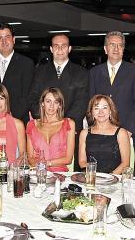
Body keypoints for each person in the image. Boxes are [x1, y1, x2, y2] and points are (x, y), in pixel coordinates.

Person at [30, 34, 88, 171]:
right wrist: (45, 121)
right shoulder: (39, 71)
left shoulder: (81, 72)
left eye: (64, 46)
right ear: (51, 49)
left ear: (70, 48)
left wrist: (63, 125)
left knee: (71, 172)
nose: (60, 49)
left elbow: (82, 102)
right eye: (56, 45)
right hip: (44, 129)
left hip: (70, 130)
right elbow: (33, 98)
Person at [89, 31, 135, 151]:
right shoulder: (94, 72)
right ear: (105, 48)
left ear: (123, 49)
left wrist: (130, 130)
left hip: (127, 131)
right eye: (112, 44)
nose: (116, 48)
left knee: (126, 168)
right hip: (101, 131)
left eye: (120, 45)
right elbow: (91, 102)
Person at [0, 23, 34, 124]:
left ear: (13, 39)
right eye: (0, 38)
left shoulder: (26, 63)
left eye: (7, 37)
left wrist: (10, 117)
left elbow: (28, 95)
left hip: (17, 121)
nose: (4, 41)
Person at [79, 95, 130, 174]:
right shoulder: (84, 133)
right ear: (91, 112)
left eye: (104, 108)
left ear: (110, 111)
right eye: (96, 108)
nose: (101, 112)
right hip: (92, 178)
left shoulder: (121, 133)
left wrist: (109, 178)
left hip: (114, 180)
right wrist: (94, 176)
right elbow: (82, 162)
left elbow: (125, 163)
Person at [26, 88, 75, 172]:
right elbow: (30, 159)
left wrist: (47, 163)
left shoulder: (68, 124)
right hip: (39, 174)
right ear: (42, 103)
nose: (51, 106)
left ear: (60, 105)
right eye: (48, 101)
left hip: (60, 175)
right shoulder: (31, 125)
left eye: (55, 102)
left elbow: (68, 159)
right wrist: (42, 167)